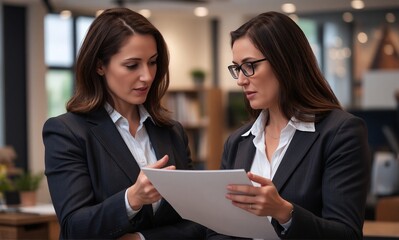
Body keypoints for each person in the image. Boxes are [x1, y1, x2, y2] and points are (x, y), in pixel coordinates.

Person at [43, 8, 205, 239]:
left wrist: (141, 239)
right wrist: (132, 199)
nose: (147, 76)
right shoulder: (67, 132)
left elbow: (199, 223)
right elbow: (73, 228)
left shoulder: (173, 132)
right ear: (100, 66)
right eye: (132, 65)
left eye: (153, 62)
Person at [207, 11, 371, 239]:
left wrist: (284, 212)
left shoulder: (340, 133)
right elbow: (218, 230)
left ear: (284, 62)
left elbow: (346, 234)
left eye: (250, 65)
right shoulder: (238, 142)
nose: (241, 80)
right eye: (237, 68)